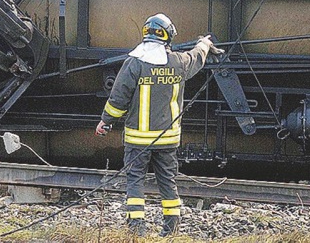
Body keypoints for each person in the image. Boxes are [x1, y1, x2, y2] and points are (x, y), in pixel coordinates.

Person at [95, 14, 223, 236]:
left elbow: (118, 99)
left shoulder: (133, 64)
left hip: (137, 141)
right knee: (167, 182)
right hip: (167, 140)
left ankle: (137, 231)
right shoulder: (179, 63)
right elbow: (197, 57)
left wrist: (105, 121)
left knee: (135, 182)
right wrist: (204, 43)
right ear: (169, 35)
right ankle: (171, 230)